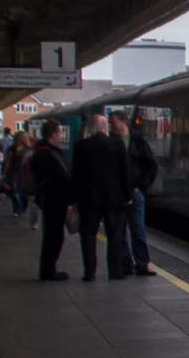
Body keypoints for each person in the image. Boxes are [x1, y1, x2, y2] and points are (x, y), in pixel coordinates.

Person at [69, 113, 133, 281]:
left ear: (90, 129)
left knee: (88, 236)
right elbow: (125, 173)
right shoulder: (117, 144)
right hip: (114, 199)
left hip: (88, 199)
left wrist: (74, 200)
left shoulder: (81, 146)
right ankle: (114, 271)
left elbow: (75, 175)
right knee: (115, 236)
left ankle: (89, 272)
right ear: (105, 127)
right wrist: (127, 196)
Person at [29, 124, 73, 281]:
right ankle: (47, 271)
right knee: (54, 236)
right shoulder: (48, 154)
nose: (61, 136)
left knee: (53, 235)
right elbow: (62, 176)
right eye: (60, 133)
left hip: (50, 198)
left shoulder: (41, 152)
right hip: (55, 199)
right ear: (53, 134)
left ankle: (48, 269)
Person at [126, 118, 158, 276]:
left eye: (113, 122)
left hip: (134, 192)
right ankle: (125, 263)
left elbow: (151, 165)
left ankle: (141, 263)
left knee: (137, 228)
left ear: (124, 122)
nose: (111, 126)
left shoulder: (138, 142)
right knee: (119, 231)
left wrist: (141, 186)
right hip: (117, 193)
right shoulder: (111, 141)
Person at [8, 131, 35, 220]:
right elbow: (8, 161)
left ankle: (23, 207)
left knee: (23, 192)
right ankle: (17, 209)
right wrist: (5, 172)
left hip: (25, 173)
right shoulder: (12, 149)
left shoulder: (28, 149)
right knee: (15, 191)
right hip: (14, 172)